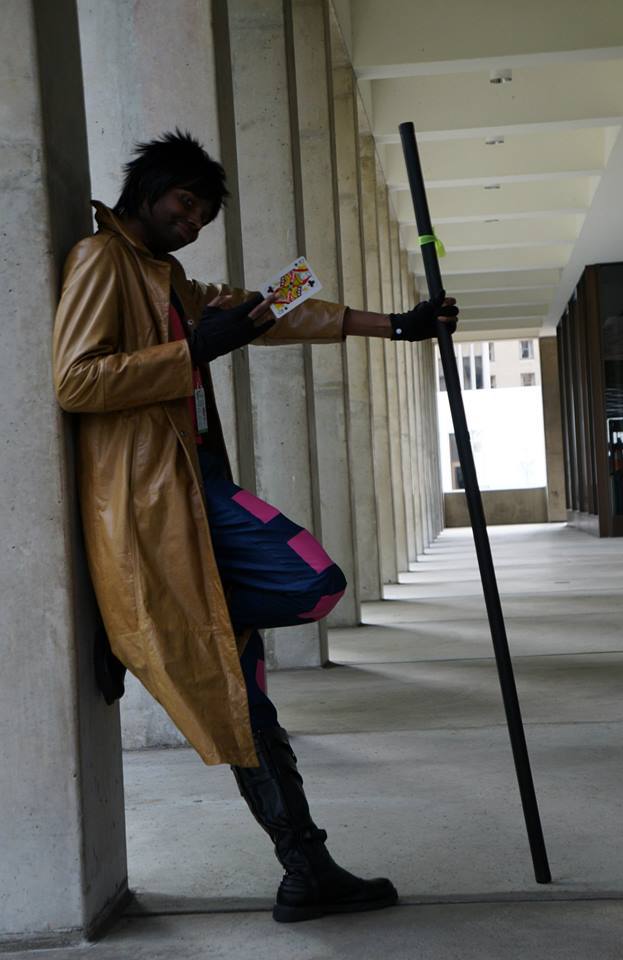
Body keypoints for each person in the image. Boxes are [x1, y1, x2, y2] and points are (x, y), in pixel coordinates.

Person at [52, 130, 458, 923]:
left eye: (202, 217)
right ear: (149, 189)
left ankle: (307, 870)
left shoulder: (167, 277)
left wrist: (395, 325)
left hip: (193, 486)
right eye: (184, 205)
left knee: (245, 705)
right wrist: (190, 351)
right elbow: (75, 380)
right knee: (314, 579)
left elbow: (268, 312)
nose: (190, 224)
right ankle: (145, 627)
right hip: (160, 499)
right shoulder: (102, 260)